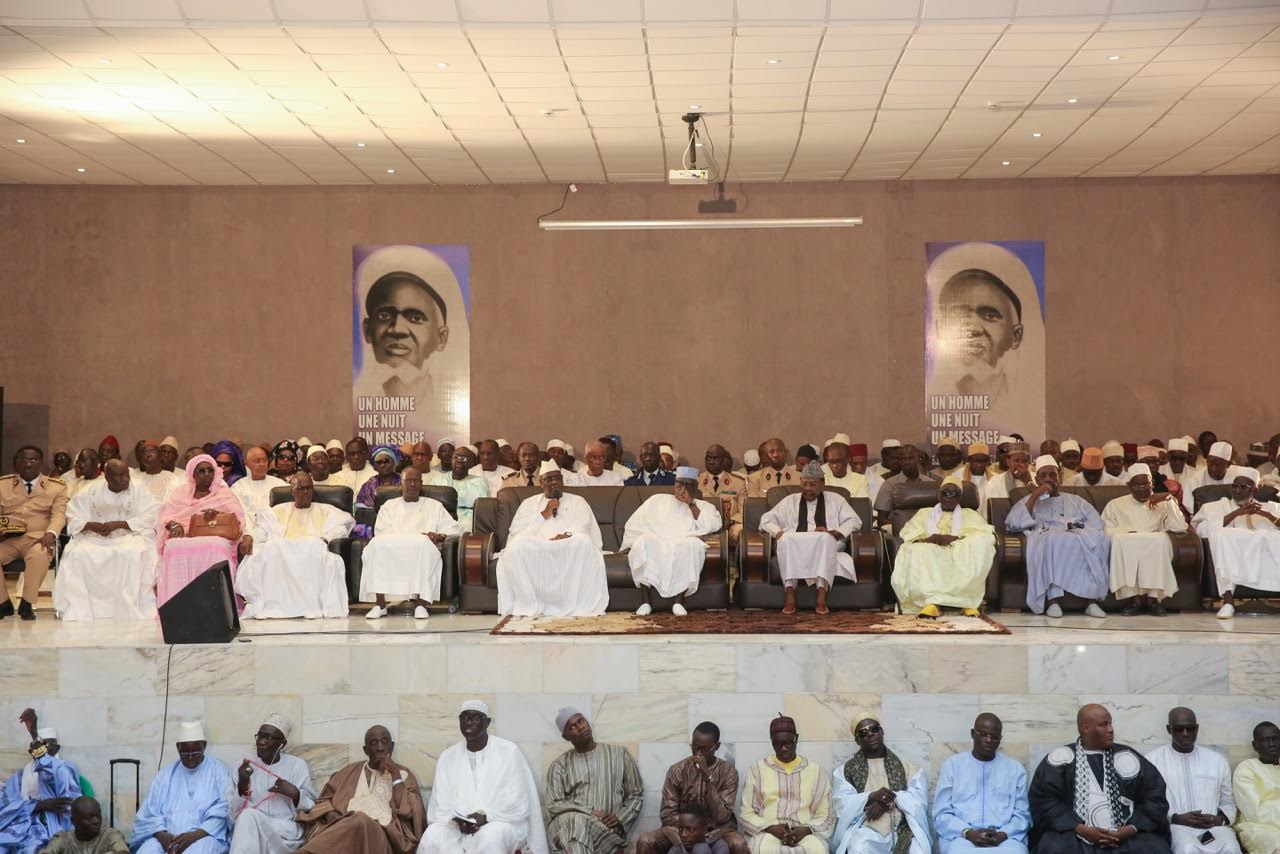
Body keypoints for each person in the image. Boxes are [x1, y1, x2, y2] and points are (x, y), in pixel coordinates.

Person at [1028, 704, 1171, 853]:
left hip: (1126, 836)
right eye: (1103, 725)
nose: (1111, 729)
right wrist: (1079, 828)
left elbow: (1154, 797)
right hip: (1075, 835)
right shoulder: (1060, 760)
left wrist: (1130, 829)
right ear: (1086, 729)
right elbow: (1045, 801)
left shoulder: (1129, 757)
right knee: (1053, 848)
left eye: (1110, 723)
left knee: (1156, 848)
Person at [417, 700, 547, 854]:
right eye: (464, 717)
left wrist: (486, 816)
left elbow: (517, 801)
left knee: (489, 837)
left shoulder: (508, 751)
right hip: (458, 827)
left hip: (501, 822)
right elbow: (440, 803)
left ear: (487, 722)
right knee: (432, 836)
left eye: (475, 717)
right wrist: (460, 820)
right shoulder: (448, 757)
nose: (469, 722)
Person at [497, 461, 607, 617]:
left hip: (568, 546)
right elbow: (517, 530)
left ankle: (575, 604)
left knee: (583, 540)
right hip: (539, 548)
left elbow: (584, 525)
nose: (554, 482)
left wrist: (566, 535)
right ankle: (531, 603)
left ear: (563, 480)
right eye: (549, 479)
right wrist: (544, 514)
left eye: (557, 478)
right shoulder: (529, 504)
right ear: (541, 482)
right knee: (518, 544)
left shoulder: (578, 501)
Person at [1005, 455, 1110, 618]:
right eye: (1043, 476)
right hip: (1049, 540)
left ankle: (1092, 602)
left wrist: (1077, 528)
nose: (1048, 479)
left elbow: (1097, 524)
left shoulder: (1076, 501)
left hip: (1077, 538)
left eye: (1052, 475)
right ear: (1037, 479)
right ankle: (1053, 600)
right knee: (1052, 539)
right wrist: (1035, 495)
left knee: (1097, 539)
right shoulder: (1028, 500)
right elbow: (1014, 523)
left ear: (1060, 476)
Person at [236, 473, 353, 619]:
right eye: (301, 488)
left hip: (311, 551)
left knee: (312, 543)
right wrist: (249, 537)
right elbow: (262, 530)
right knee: (275, 546)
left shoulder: (327, 510)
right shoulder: (277, 511)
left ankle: (309, 606)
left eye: (309, 488)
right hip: (282, 553)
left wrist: (325, 539)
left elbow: (340, 528)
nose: (306, 492)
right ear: (292, 491)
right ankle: (274, 606)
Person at [54, 460, 159, 621]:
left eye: (127, 475)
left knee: (132, 553)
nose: (126, 479)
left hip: (130, 535)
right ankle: (86, 608)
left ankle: (128, 606)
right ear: (107, 477)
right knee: (78, 554)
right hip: (94, 537)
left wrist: (121, 524)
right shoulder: (91, 490)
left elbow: (152, 515)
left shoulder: (139, 488)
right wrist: (89, 525)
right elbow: (74, 514)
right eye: (120, 476)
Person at [296, 725, 426, 854]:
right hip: (344, 829)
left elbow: (411, 814)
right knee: (356, 822)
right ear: (366, 750)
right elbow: (323, 801)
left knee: (361, 819)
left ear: (391, 746)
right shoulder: (348, 772)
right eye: (374, 743)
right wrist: (331, 814)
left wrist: (395, 774)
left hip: (385, 834)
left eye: (384, 742)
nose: (380, 748)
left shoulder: (405, 776)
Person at [759, 461, 861, 615]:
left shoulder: (836, 500)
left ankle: (821, 596)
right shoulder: (790, 501)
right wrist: (778, 533)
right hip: (796, 544)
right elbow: (766, 520)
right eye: (804, 484)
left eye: (812, 485)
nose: (807, 489)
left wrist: (833, 532)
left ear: (822, 483)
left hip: (824, 543)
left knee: (825, 539)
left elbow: (855, 521)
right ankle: (790, 594)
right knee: (786, 540)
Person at [891, 474, 996, 618]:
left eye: (955, 493)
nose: (949, 496)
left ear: (960, 498)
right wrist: (928, 539)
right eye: (945, 492)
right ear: (938, 496)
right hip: (931, 549)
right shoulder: (924, 513)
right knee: (916, 549)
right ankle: (932, 603)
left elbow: (984, 531)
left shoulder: (969, 514)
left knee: (982, 542)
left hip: (960, 549)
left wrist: (955, 538)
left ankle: (967, 602)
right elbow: (908, 532)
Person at [362, 466, 459, 620]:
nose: (413, 485)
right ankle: (380, 605)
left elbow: (453, 529)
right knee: (375, 545)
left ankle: (421, 604)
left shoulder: (435, 506)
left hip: (422, 548)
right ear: (401, 483)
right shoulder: (388, 506)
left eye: (416, 481)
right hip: (393, 550)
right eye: (409, 481)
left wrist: (438, 536)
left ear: (421, 484)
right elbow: (381, 533)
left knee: (422, 542)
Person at [623, 467, 721, 617]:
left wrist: (690, 504)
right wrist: (632, 543)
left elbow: (711, 525)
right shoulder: (658, 500)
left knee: (692, 545)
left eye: (688, 485)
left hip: (683, 541)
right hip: (658, 541)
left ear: (695, 487)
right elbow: (636, 522)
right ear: (674, 485)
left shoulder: (704, 506)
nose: (682, 489)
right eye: (679, 484)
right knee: (644, 541)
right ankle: (645, 602)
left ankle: (678, 602)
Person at [635, 722, 747, 854]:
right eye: (694, 746)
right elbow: (667, 814)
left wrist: (707, 778)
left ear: (716, 746)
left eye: (704, 749)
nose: (698, 752)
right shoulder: (677, 770)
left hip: (717, 831)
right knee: (645, 840)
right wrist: (690, 830)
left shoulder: (728, 772)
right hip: (681, 831)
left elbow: (722, 816)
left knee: (739, 843)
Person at [545, 708, 644, 854]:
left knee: (574, 842)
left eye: (581, 721)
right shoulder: (559, 765)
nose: (580, 727)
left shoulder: (619, 754)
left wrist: (620, 819)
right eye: (572, 727)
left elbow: (636, 794)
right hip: (567, 825)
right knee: (576, 823)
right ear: (566, 737)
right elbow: (553, 804)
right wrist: (590, 812)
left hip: (605, 830)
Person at [155, 454, 247, 607]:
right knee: (172, 546)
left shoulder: (223, 493)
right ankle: (177, 605)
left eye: (210, 471)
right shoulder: (180, 493)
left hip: (217, 537)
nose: (206, 475)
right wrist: (173, 525)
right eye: (201, 471)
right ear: (193, 474)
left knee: (217, 547)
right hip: (185, 536)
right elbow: (165, 516)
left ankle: (218, 604)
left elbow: (238, 519)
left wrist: (218, 515)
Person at [1144, 708, 1239, 854]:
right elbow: (1148, 802)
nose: (1185, 734)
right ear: (1169, 730)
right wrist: (1175, 818)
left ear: (1197, 729)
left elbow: (1228, 803)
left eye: (1190, 728)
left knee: (1230, 848)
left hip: (1215, 828)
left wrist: (1219, 820)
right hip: (1175, 827)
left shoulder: (1217, 761)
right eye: (1178, 729)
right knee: (1187, 848)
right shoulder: (1153, 761)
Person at [1191, 466, 1280, 619]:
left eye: (1243, 487)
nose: (1237, 490)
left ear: (1255, 490)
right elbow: (1201, 530)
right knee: (1222, 535)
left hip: (1263, 554)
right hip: (1233, 552)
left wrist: (1265, 514)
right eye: (1234, 486)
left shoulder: (1271, 507)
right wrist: (1237, 513)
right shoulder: (1214, 507)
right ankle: (1228, 601)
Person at [933, 713, 1029, 853]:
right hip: (962, 838)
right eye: (983, 734)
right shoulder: (953, 766)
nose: (989, 740)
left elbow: (1022, 816)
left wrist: (1001, 835)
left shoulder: (1015, 769)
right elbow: (942, 814)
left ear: (1000, 739)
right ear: (973, 734)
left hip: (1005, 839)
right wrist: (968, 832)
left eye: (994, 737)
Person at [131, 721, 231, 854]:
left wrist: (193, 837)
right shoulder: (165, 775)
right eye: (185, 753)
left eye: (195, 752)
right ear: (178, 748)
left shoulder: (219, 772)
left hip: (204, 836)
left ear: (204, 746)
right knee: (146, 851)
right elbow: (149, 814)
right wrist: (163, 837)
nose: (190, 757)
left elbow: (222, 813)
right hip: (168, 837)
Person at [831, 716, 928, 854]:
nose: (870, 734)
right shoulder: (845, 772)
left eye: (874, 729)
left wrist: (886, 800)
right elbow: (842, 804)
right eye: (863, 733)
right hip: (865, 830)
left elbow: (918, 800)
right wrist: (870, 797)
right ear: (857, 740)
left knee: (918, 850)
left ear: (881, 732)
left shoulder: (907, 767)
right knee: (859, 848)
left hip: (900, 828)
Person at [1102, 464, 1188, 617]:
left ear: (1152, 484)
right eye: (1137, 485)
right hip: (1127, 542)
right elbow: (1105, 530)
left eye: (1146, 484)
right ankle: (1134, 600)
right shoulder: (1115, 504)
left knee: (1160, 540)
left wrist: (1169, 499)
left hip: (1155, 544)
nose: (1142, 489)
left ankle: (1153, 599)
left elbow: (1180, 527)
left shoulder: (1164, 503)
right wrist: (1128, 533)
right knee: (1121, 540)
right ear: (1129, 486)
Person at [740, 715, 834, 854]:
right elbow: (746, 813)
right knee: (761, 849)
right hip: (768, 831)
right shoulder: (757, 770)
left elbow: (826, 814)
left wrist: (807, 829)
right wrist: (770, 828)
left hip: (806, 832)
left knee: (817, 849)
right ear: (772, 742)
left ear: (796, 738)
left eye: (788, 743)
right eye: (778, 744)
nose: (783, 748)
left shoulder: (816, 771)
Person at [227, 713, 316, 854]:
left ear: (282, 744)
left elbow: (312, 807)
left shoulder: (297, 765)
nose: (261, 741)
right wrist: (242, 784)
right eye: (260, 736)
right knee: (247, 817)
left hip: (284, 832)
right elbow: (232, 814)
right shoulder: (244, 765)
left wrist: (295, 794)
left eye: (268, 737)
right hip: (250, 831)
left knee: (248, 818)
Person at [0, 445, 68, 621]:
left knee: (40, 554)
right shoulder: (3, 485)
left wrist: (51, 533)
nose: (28, 464)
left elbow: (59, 514)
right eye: (23, 460)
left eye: (33, 460)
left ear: (41, 463)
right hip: (9, 540)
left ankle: (27, 603)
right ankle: (3, 603)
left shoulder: (56, 487)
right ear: (15, 463)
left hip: (39, 539)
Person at [0, 720, 80, 853]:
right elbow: (5, 807)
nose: (42, 749)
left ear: (56, 748)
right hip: (20, 826)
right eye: (38, 746)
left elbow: (71, 806)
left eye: (46, 745)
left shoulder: (65, 770)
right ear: (31, 751)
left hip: (50, 828)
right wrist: (36, 805)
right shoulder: (20, 777)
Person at [1233, 721, 1280, 854]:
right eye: (1265, 740)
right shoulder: (1246, 768)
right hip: (1258, 827)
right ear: (1255, 745)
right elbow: (1253, 811)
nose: (1272, 744)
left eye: (1275, 739)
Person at [873, 444, 938, 527]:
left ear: (917, 459)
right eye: (903, 459)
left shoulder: (930, 484)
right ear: (899, 461)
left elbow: (937, 514)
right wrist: (909, 526)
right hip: (898, 529)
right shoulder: (889, 485)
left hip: (926, 527)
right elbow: (881, 521)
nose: (907, 462)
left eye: (910, 458)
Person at [426, 446, 488, 533]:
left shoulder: (479, 481)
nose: (459, 461)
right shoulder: (438, 480)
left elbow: (479, 502)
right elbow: (432, 503)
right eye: (456, 457)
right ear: (451, 460)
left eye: (465, 458)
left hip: (468, 519)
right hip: (442, 515)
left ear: (471, 464)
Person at [37, 797, 128, 853]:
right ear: (74, 821)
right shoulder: (63, 839)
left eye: (98, 815)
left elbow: (124, 852)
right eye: (89, 817)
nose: (96, 821)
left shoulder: (110, 835)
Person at [231, 447, 288, 532]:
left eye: (264, 460)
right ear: (247, 464)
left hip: (274, 532)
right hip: (246, 533)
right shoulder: (238, 487)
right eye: (257, 461)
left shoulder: (280, 485)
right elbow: (237, 513)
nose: (262, 464)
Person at [698, 446, 747, 544]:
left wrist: (733, 523)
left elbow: (744, 511)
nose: (711, 462)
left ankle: (736, 559)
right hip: (704, 525)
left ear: (724, 460)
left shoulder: (738, 482)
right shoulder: (697, 482)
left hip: (730, 525)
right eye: (708, 458)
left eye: (716, 458)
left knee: (740, 530)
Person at [357, 446, 405, 513]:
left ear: (394, 462)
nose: (382, 465)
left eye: (386, 461)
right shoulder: (369, 485)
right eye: (379, 462)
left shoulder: (404, 481)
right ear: (375, 466)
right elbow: (362, 510)